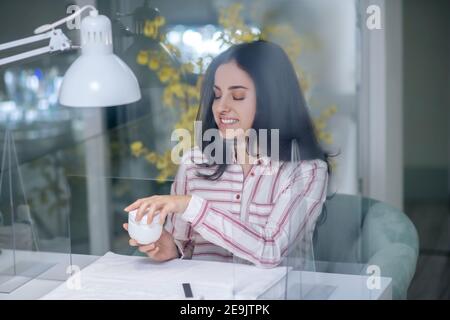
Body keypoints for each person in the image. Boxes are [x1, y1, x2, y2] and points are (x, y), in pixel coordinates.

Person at [123, 40, 330, 268]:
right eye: (217, 95)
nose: (221, 107)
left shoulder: (307, 171)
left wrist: (193, 206)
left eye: (238, 96)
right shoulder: (194, 163)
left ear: (273, 101)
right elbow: (183, 244)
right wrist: (167, 246)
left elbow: (271, 250)